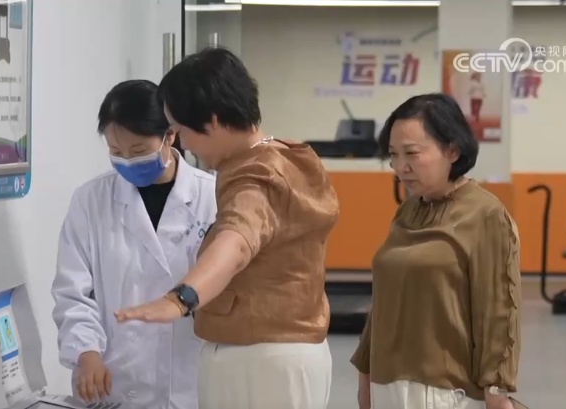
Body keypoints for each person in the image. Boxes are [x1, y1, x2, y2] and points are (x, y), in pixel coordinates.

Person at [115, 47, 340, 409]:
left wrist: (179, 300)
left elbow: (235, 243)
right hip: (284, 355)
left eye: (182, 131)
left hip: (260, 361)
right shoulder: (288, 156)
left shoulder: (255, 176)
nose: (184, 145)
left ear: (214, 120)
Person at [51, 79, 217, 409]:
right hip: (114, 382)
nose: (127, 161)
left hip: (190, 381)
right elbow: (73, 293)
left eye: (139, 151)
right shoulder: (91, 201)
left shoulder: (211, 197)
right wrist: (86, 353)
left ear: (170, 136)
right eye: (116, 152)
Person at [351, 93, 521, 409]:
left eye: (412, 153)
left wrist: (497, 394)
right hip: (385, 385)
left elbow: (498, 313)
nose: (401, 167)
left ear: (452, 150)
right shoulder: (408, 211)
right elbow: (383, 303)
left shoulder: (485, 215)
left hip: (443, 393)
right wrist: (366, 380)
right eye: (393, 155)